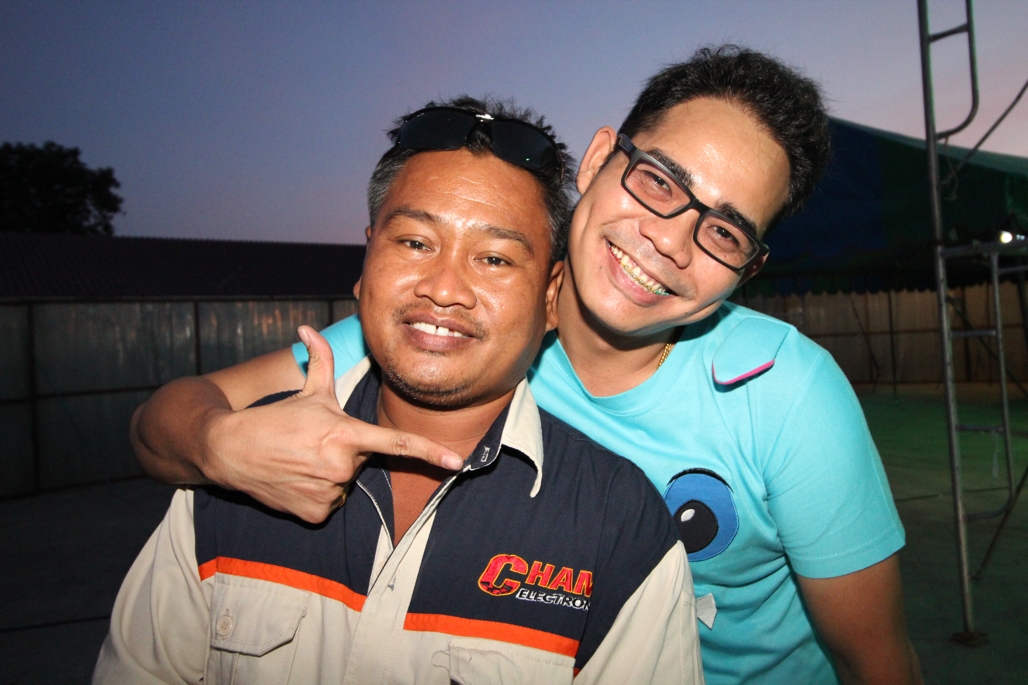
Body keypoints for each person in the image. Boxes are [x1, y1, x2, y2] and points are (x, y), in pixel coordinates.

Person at [130, 46, 922, 685]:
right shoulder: (461, 328)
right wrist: (221, 447)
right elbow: (164, 421)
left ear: (749, 269)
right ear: (601, 158)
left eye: (724, 232)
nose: (668, 241)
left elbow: (875, 658)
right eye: (659, 182)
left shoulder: (788, 394)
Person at [95, 98, 701, 684]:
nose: (443, 288)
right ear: (365, 264)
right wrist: (216, 447)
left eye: (494, 259)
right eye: (414, 243)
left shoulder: (619, 527)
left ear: (550, 297)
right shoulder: (242, 464)